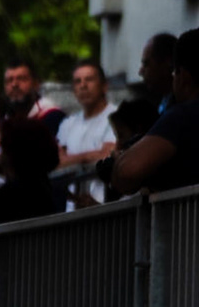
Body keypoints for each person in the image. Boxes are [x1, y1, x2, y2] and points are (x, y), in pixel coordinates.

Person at [108, 29, 199, 197]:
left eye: (175, 72)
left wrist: (118, 162)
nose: (141, 71)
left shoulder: (182, 116)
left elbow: (128, 171)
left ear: (183, 76)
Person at [56, 59, 116, 205]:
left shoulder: (116, 116)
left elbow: (108, 156)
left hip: (105, 206)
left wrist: (72, 159)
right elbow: (56, 162)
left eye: (89, 79)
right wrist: (88, 157)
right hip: (73, 210)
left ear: (104, 86)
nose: (83, 85)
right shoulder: (67, 124)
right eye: (77, 81)